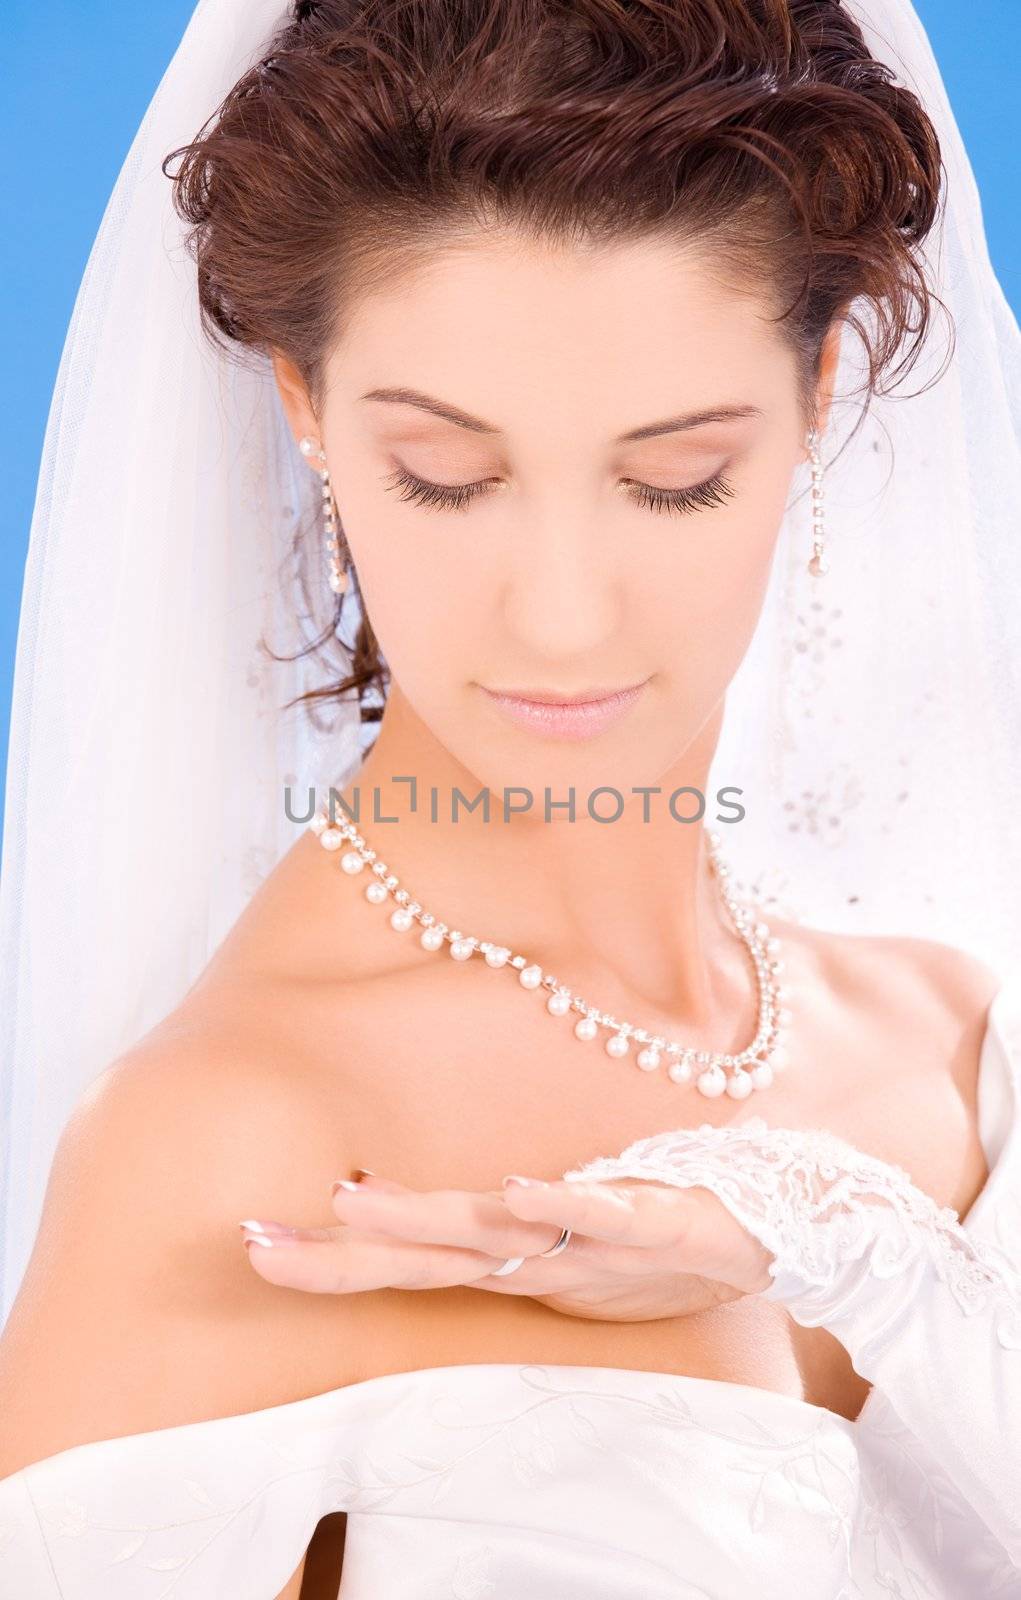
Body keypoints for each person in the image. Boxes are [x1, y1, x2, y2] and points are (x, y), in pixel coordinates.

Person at [0, 0, 1019, 1595]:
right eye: (446, 478)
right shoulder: (241, 1155)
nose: (559, 616)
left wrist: (836, 1242)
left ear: (820, 388)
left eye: (674, 477)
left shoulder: (954, 1040)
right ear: (303, 408)